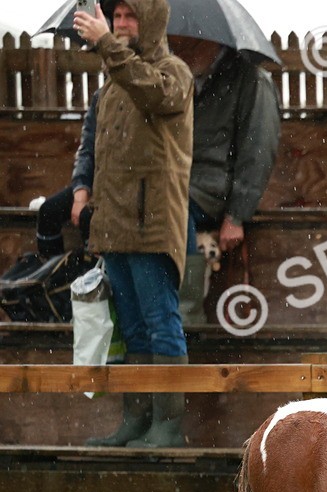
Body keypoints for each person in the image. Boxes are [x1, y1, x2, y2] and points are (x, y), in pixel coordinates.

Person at [76, 0, 193, 448]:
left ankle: (168, 426)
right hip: (115, 224)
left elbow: (152, 92)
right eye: (116, 17)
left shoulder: (172, 72)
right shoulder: (113, 80)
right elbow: (95, 144)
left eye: (130, 16)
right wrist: (83, 192)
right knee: (132, 328)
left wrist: (107, 44)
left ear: (151, 22)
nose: (120, 24)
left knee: (161, 323)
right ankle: (137, 421)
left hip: (152, 222)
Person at [168, 34, 281, 324]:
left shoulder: (251, 80)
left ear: (211, 40)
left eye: (187, 42)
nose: (178, 47)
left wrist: (236, 215)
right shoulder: (187, 77)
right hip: (179, 185)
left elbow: (258, 151)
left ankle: (186, 315)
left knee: (172, 209)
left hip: (212, 192)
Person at [35, 90, 99, 260]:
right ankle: (52, 269)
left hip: (118, 186)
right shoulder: (100, 97)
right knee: (48, 211)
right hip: (95, 181)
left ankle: (94, 269)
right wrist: (81, 192)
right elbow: (87, 151)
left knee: (88, 217)